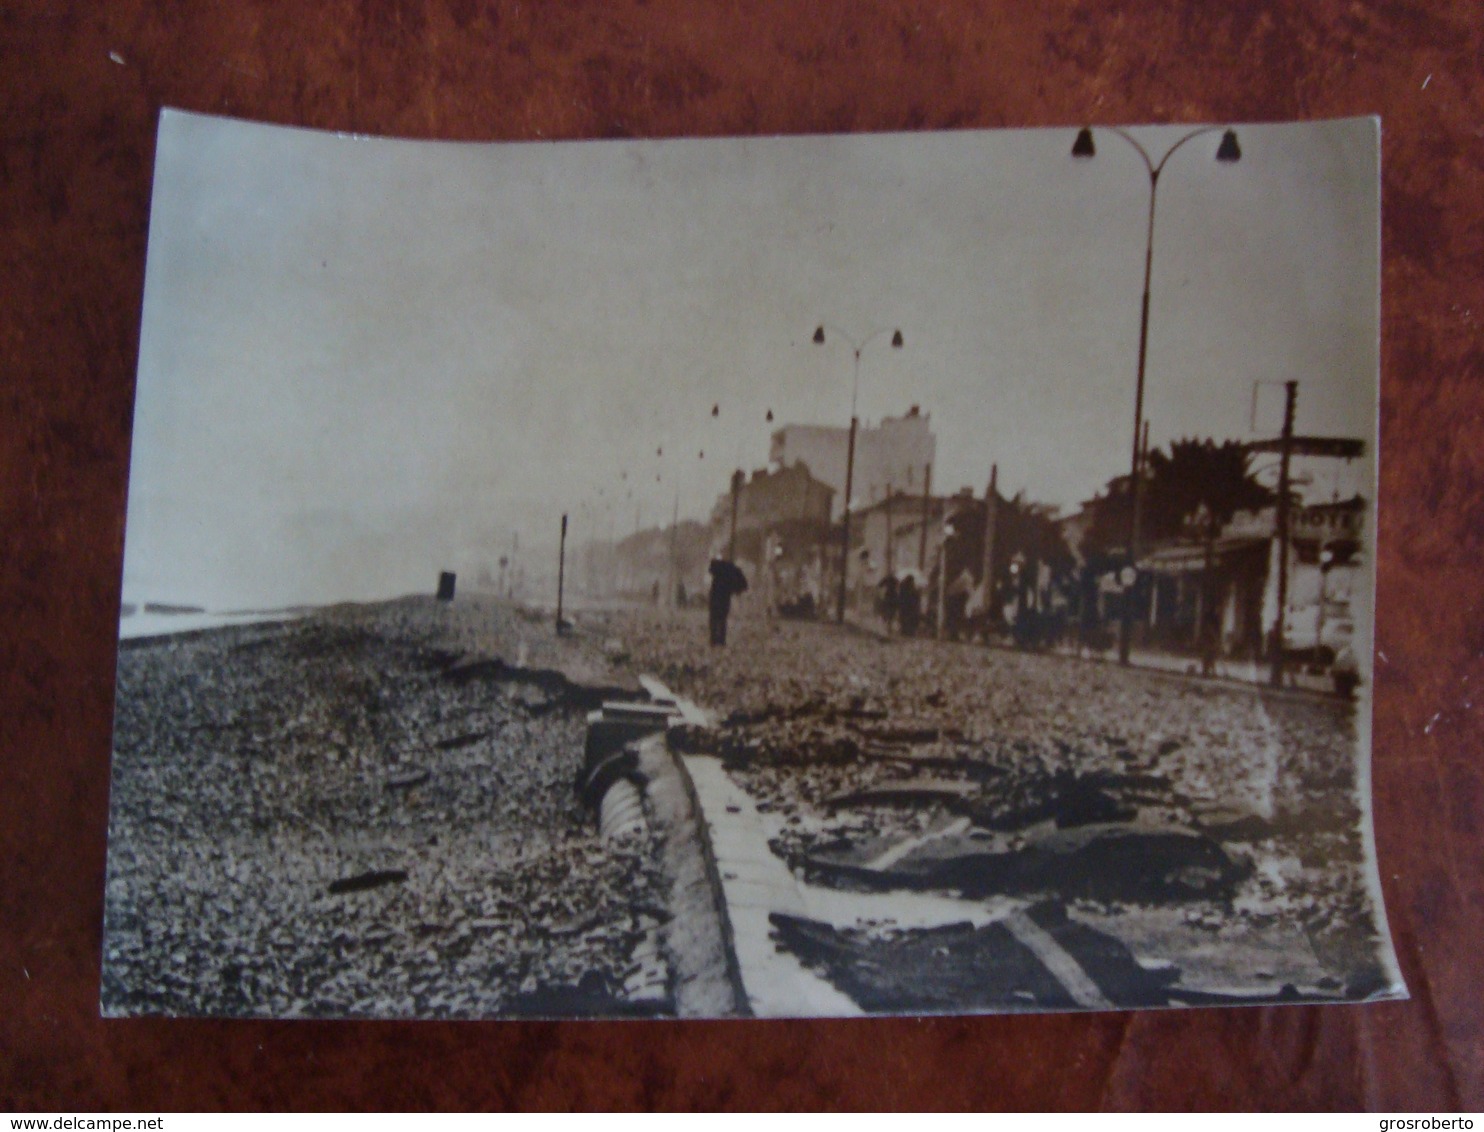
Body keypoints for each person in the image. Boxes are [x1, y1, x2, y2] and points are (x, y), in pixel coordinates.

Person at [708, 558, 748, 646]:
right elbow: (740, 586)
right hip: (725, 598)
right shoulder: (732, 573)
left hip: (715, 597)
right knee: (722, 619)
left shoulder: (718, 574)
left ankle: (714, 639)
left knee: (714, 619)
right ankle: (721, 640)